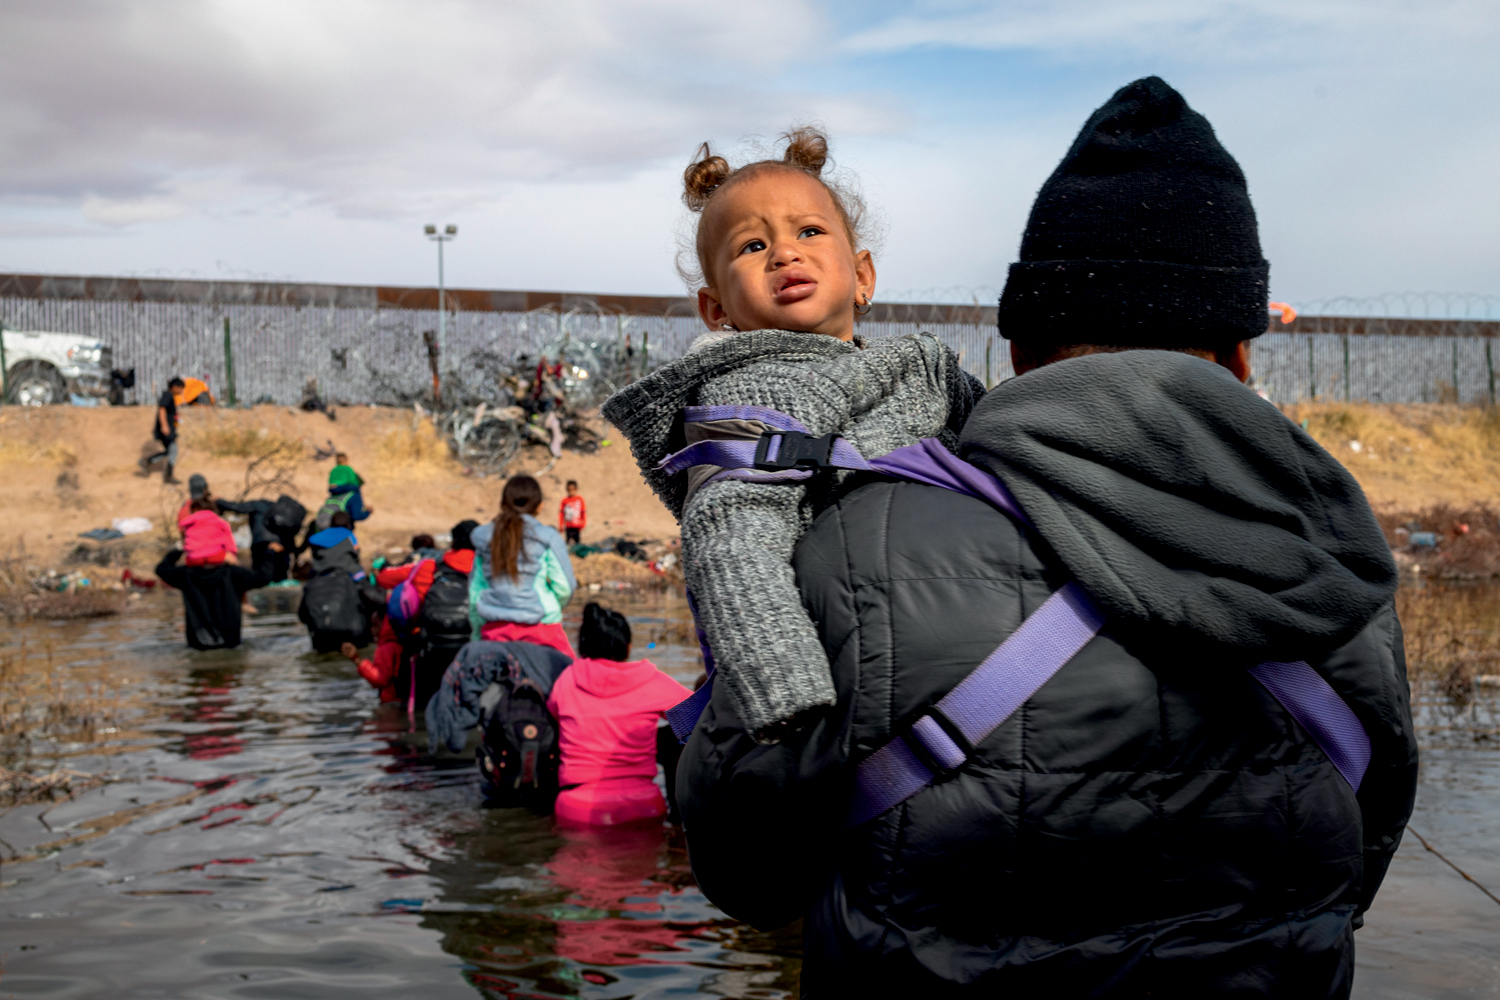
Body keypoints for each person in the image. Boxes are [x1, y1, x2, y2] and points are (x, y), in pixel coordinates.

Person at [674, 78, 1418, 997]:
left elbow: (746, 870)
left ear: (1019, 353)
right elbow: (1365, 846)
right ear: (1238, 358)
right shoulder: (1339, 560)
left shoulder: (848, 537)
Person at [601, 125, 982, 743]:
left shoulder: (920, 367)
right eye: (752, 246)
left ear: (863, 276)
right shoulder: (750, 390)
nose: (784, 253)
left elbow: (1001, 431)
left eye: (809, 231)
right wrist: (785, 688)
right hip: (844, 671)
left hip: (951, 636)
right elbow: (730, 532)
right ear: (716, 310)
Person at [547, 604, 691, 826]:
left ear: (583, 645)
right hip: (644, 806)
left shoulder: (567, 680)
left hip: (576, 809)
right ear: (628, 646)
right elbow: (700, 717)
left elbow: (554, 718)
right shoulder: (650, 680)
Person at [347, 522, 479, 712]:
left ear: (453, 543)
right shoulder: (490, 569)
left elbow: (384, 578)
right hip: (474, 647)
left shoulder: (428, 566)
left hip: (430, 649)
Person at [469, 475, 576, 657]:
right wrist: (550, 607)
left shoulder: (483, 537)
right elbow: (565, 587)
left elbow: (475, 593)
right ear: (539, 506)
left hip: (494, 630)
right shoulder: (547, 537)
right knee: (570, 679)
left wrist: (477, 633)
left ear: (503, 503)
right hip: (542, 630)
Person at [298, 510, 381, 652]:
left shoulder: (312, 579)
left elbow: (302, 616)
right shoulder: (350, 540)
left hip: (320, 634)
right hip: (353, 635)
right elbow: (371, 594)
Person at [155, 547, 270, 650]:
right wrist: (270, 551)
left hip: (197, 644)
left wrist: (180, 548)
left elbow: (161, 569)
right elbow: (264, 577)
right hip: (230, 644)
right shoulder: (234, 573)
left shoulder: (186, 574)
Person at [215, 494, 299, 582]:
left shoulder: (257, 504)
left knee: (260, 575)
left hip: (261, 542)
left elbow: (238, 508)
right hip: (280, 545)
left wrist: (219, 501)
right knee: (279, 576)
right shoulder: (282, 510)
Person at [139, 376, 185, 484]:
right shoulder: (167, 395)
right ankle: (168, 476)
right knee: (173, 450)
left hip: (168, 429)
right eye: (180, 388)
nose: (181, 391)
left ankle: (147, 461)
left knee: (170, 451)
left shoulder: (170, 396)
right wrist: (164, 426)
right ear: (174, 387)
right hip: (166, 430)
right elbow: (162, 410)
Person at [179, 498, 236, 567]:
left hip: (194, 558)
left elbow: (185, 538)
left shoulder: (189, 521)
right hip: (215, 554)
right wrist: (232, 553)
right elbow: (228, 538)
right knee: (236, 566)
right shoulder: (216, 519)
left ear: (194, 509)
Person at [559, 480, 586, 546]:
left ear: (576, 489)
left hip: (577, 526)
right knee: (567, 543)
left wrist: (583, 523)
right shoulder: (564, 500)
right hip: (568, 526)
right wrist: (561, 525)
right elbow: (561, 514)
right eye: (569, 490)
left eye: (572, 490)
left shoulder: (580, 499)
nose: (571, 492)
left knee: (578, 543)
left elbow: (583, 512)